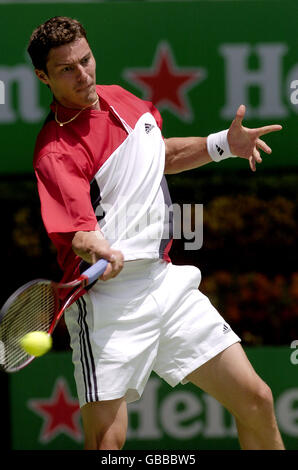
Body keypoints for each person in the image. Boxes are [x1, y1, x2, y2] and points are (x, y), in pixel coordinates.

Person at [27, 16, 285, 450]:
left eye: (86, 60)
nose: (83, 74)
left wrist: (223, 144)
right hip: (108, 304)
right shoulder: (57, 152)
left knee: (256, 399)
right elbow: (79, 233)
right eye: (66, 69)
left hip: (167, 283)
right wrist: (101, 249)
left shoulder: (123, 100)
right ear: (43, 77)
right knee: (107, 443)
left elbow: (157, 155)